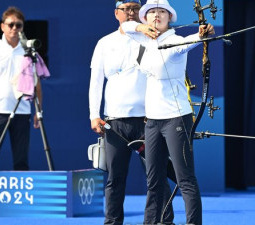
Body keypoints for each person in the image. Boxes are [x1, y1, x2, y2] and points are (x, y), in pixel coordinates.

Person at [121, 0, 215, 224]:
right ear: (145, 18)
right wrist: (141, 27)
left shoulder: (174, 40)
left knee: (185, 179)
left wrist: (202, 34)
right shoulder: (142, 38)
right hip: (152, 120)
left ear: (169, 17)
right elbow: (125, 27)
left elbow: (190, 41)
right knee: (154, 181)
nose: (156, 15)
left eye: (161, 12)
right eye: (151, 12)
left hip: (176, 117)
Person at [88, 1, 174, 224]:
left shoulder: (153, 38)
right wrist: (93, 114)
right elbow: (96, 81)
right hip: (115, 122)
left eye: (135, 8)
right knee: (115, 178)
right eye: (125, 9)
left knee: (157, 177)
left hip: (149, 119)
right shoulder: (104, 43)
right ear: (116, 13)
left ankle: (164, 221)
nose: (131, 13)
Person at [0, 6, 42, 171]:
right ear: (2, 26)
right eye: (10, 24)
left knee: (21, 161)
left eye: (18, 25)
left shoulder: (29, 51)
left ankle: (21, 196)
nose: (14, 28)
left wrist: (38, 110)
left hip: (22, 111)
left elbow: (37, 84)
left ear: (22, 27)